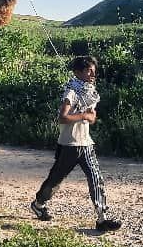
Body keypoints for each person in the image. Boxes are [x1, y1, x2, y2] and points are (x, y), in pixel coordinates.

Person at [30, 55, 122, 232]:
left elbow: (92, 117)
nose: (92, 74)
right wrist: (84, 116)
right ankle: (38, 204)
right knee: (55, 180)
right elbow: (62, 117)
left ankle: (102, 219)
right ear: (77, 72)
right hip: (69, 145)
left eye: (94, 70)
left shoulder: (90, 93)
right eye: (88, 70)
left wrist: (89, 116)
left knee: (96, 179)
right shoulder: (71, 92)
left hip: (86, 144)